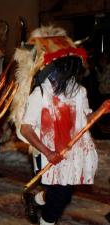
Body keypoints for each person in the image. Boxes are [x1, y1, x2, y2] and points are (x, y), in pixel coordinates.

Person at [10, 25, 110, 225]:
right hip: (49, 153)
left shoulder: (79, 91)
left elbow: (84, 122)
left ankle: (35, 199)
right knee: (60, 197)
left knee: (62, 191)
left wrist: (99, 112)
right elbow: (26, 129)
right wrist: (48, 152)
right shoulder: (40, 94)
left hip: (73, 152)